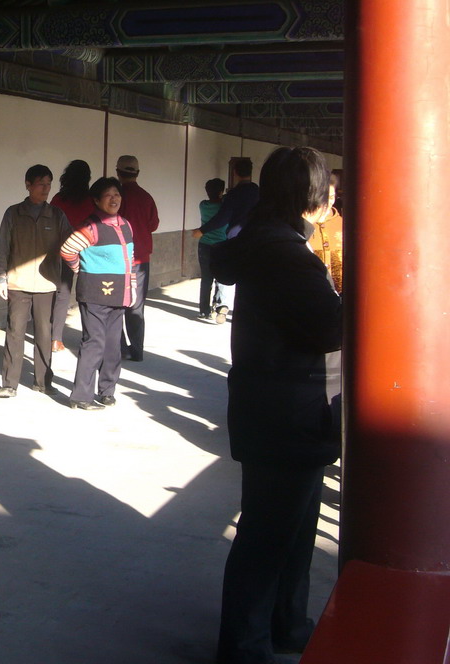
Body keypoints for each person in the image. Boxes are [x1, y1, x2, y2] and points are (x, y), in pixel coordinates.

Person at [211, 146, 342, 664]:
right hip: (286, 410)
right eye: (325, 187)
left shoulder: (274, 241)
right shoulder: (285, 253)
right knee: (268, 537)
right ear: (307, 195)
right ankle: (245, 646)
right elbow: (331, 327)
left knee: (291, 529)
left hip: (282, 406)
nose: (332, 196)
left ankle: (288, 623)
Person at [0, 164, 71, 398]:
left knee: (44, 333)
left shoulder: (56, 215)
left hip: (46, 284)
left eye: (49, 183)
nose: (46, 188)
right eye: (41, 183)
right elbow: (2, 247)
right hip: (18, 282)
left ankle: (43, 382)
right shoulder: (13, 213)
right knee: (15, 331)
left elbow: (71, 243)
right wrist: (1, 277)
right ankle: (9, 384)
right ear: (28, 185)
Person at [60, 177, 135, 410]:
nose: (114, 199)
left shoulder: (126, 224)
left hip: (119, 294)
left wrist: (131, 288)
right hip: (94, 293)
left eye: (117, 194)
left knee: (113, 345)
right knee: (94, 343)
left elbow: (129, 260)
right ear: (96, 200)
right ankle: (81, 396)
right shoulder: (90, 227)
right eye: (108, 195)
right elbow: (67, 250)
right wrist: (80, 269)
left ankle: (107, 390)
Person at [193, 157, 259, 324]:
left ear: (235, 173)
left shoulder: (233, 195)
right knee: (249, 276)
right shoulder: (257, 192)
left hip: (233, 239)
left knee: (221, 274)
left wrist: (202, 230)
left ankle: (209, 308)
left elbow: (223, 218)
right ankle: (236, 309)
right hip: (254, 238)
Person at [115, 155, 158, 361]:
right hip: (141, 259)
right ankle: (137, 350)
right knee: (136, 305)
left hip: (119, 258)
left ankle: (120, 347)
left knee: (115, 304)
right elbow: (153, 224)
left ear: (118, 173)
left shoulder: (116, 197)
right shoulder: (146, 197)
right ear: (138, 173)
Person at [50, 159, 95, 352]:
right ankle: (90, 336)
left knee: (61, 294)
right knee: (89, 296)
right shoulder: (92, 200)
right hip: (87, 251)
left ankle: (55, 339)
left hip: (60, 249)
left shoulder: (59, 199)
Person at [197, 178, 229, 320]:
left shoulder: (203, 205)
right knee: (220, 277)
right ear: (221, 192)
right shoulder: (224, 207)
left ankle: (204, 310)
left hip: (204, 245)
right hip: (221, 245)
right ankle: (219, 305)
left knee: (206, 279)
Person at [307, 178, 343, 294]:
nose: (327, 202)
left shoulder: (342, 224)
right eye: (323, 197)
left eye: (331, 197)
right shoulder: (304, 225)